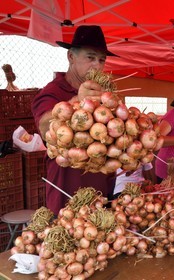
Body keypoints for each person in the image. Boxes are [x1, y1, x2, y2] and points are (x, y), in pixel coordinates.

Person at [31, 25, 118, 215]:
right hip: (66, 192)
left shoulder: (103, 95)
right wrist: (77, 101)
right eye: (90, 57)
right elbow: (45, 127)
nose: (97, 65)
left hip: (101, 190)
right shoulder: (52, 92)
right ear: (71, 56)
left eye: (101, 60)